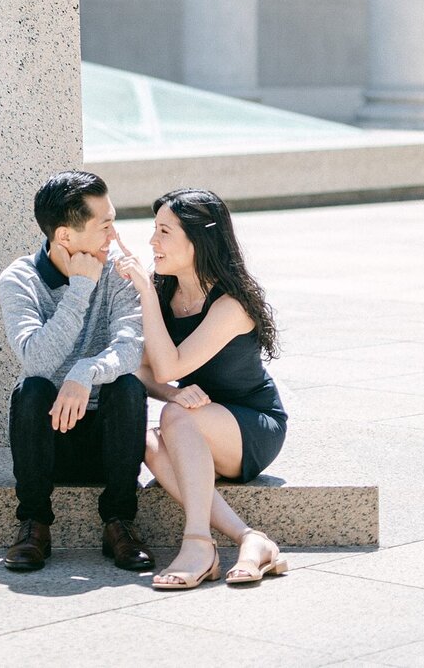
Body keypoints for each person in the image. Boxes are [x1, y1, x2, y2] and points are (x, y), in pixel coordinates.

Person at [114, 186, 289, 590]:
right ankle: (250, 538)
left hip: (252, 426)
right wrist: (173, 393)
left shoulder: (231, 304)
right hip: (196, 423)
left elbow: (169, 365)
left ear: (198, 240)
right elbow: (141, 371)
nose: (152, 242)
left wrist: (143, 290)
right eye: (154, 231)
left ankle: (198, 543)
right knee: (148, 439)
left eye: (164, 232)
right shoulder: (166, 292)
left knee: (174, 416)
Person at [0, 170, 153, 573]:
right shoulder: (20, 279)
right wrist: (80, 288)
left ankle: (119, 521)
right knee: (30, 389)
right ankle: (34, 523)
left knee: (128, 386)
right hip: (48, 442)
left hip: (112, 440)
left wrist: (86, 371)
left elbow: (130, 348)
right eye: (105, 226)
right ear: (65, 236)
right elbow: (36, 360)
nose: (113, 237)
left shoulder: (119, 271)